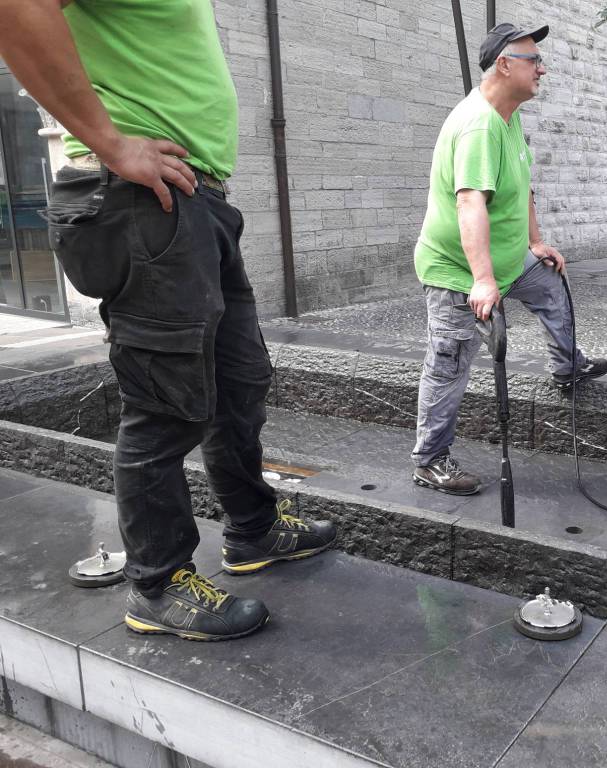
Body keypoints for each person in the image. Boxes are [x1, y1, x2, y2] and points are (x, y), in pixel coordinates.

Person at [0, 0, 336, 641]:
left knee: (239, 382)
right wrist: (112, 143)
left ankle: (253, 528)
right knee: (165, 402)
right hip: (142, 200)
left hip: (194, 201)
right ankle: (156, 583)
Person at [411, 22, 607, 495]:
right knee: (450, 363)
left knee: (551, 287)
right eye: (533, 60)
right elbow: (469, 202)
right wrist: (482, 280)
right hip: (458, 272)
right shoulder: (479, 124)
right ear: (504, 64)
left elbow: (520, 187)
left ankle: (568, 367)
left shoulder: (509, 115)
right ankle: (429, 459)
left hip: (506, 260)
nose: (543, 68)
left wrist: (535, 243)